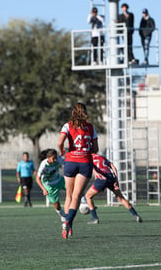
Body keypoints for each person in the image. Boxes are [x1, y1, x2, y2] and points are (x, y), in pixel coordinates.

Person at [58, 102, 99, 239]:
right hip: (85, 163)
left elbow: (60, 143)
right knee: (76, 196)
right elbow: (95, 149)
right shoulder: (91, 127)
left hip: (70, 162)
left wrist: (62, 150)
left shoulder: (67, 125)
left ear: (73, 113)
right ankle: (69, 221)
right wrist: (86, 150)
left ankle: (67, 224)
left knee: (68, 196)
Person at [85, 153, 142, 224]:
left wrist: (96, 173)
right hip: (111, 178)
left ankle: (94, 218)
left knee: (88, 196)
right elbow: (113, 167)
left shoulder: (88, 157)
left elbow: (90, 165)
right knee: (121, 198)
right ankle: (136, 215)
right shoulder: (102, 157)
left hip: (101, 178)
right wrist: (116, 180)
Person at [36, 149, 66, 223]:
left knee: (74, 188)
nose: (55, 160)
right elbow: (37, 179)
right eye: (53, 158)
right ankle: (62, 215)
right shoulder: (43, 165)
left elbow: (67, 164)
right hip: (50, 185)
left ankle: (83, 201)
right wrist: (43, 189)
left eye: (56, 158)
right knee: (56, 204)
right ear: (48, 158)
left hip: (59, 180)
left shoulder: (58, 159)